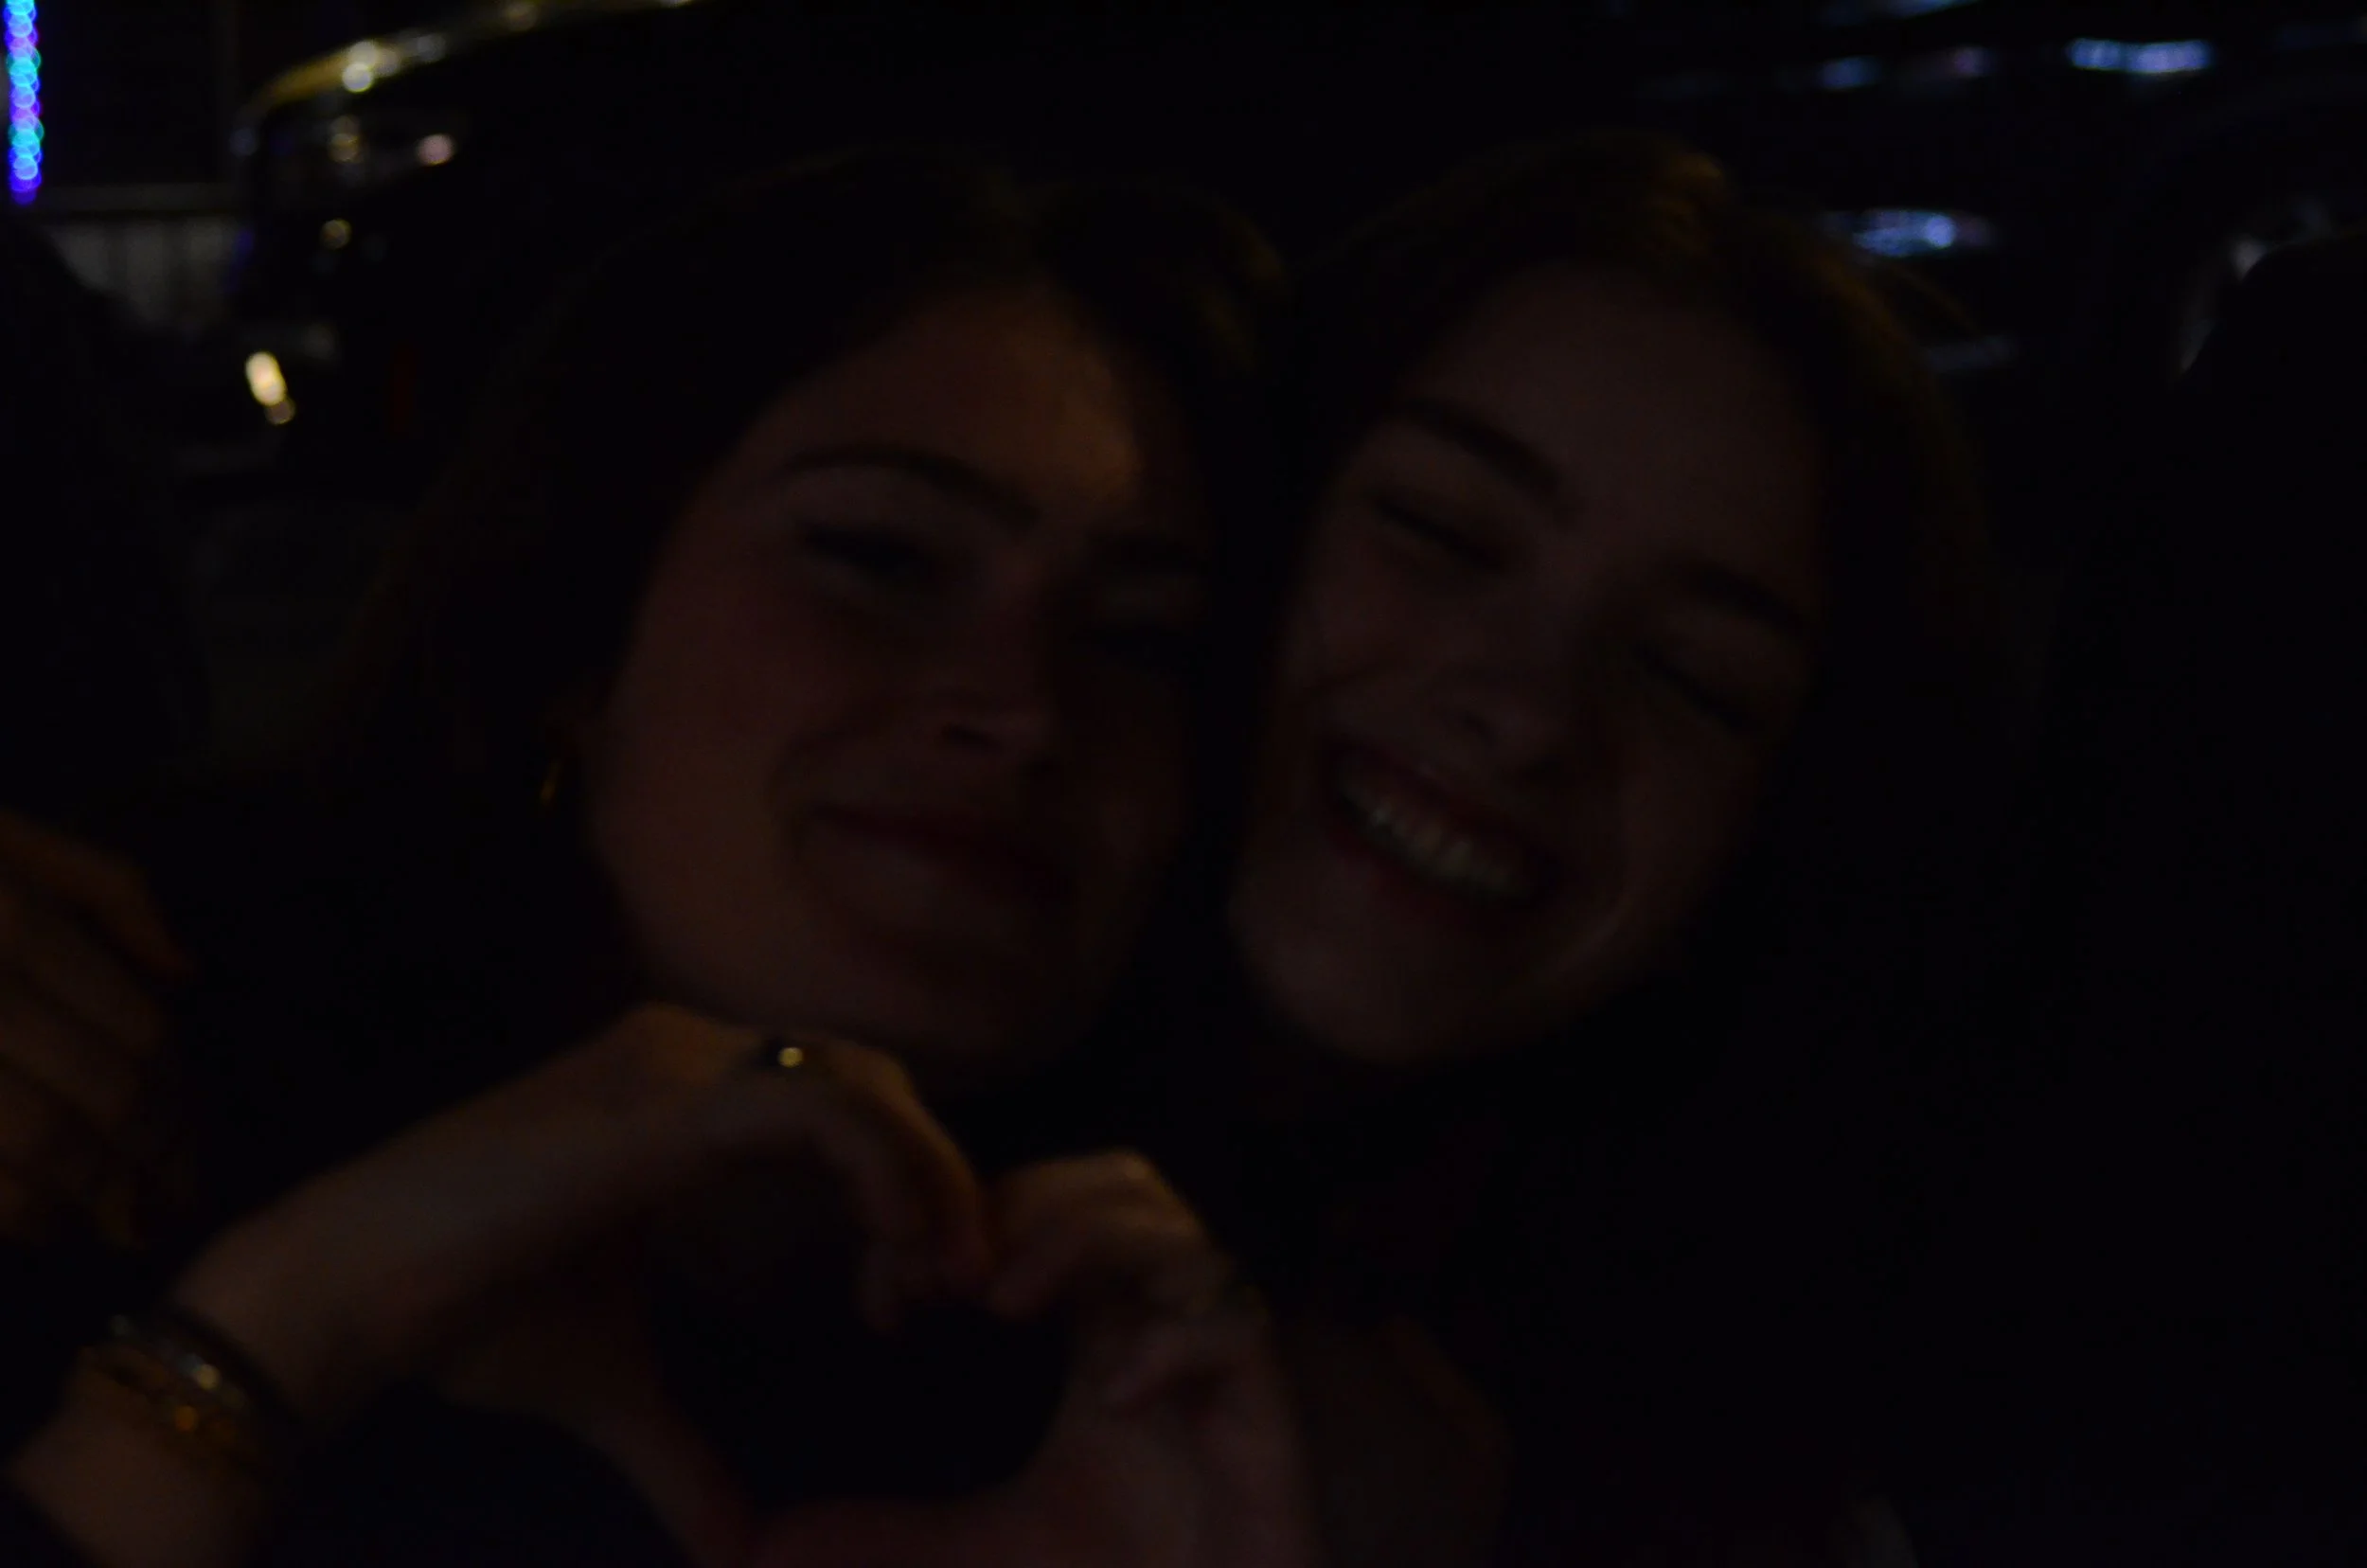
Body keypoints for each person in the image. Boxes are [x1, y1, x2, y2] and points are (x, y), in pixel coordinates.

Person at [0, 146, 1318, 1567]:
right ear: (577, 631)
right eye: (882, 557)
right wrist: (283, 1327)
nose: (1025, 712)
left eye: (1141, 640)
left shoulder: (1167, 1394)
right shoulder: (78, 1082)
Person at [1120, 131, 2016, 1567]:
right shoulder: (816, 1138)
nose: (1532, 712)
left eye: (1693, 678)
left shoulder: (1751, 1481)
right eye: (1441, 531)